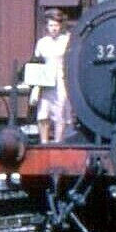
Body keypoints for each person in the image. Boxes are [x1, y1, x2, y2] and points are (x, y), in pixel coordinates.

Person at [28, 8, 73, 143]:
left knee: (60, 111)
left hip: (61, 79)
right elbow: (36, 61)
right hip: (45, 79)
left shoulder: (66, 40)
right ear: (47, 26)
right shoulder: (42, 43)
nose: (54, 28)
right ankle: (44, 142)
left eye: (56, 25)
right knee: (43, 113)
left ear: (60, 26)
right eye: (51, 25)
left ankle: (59, 142)